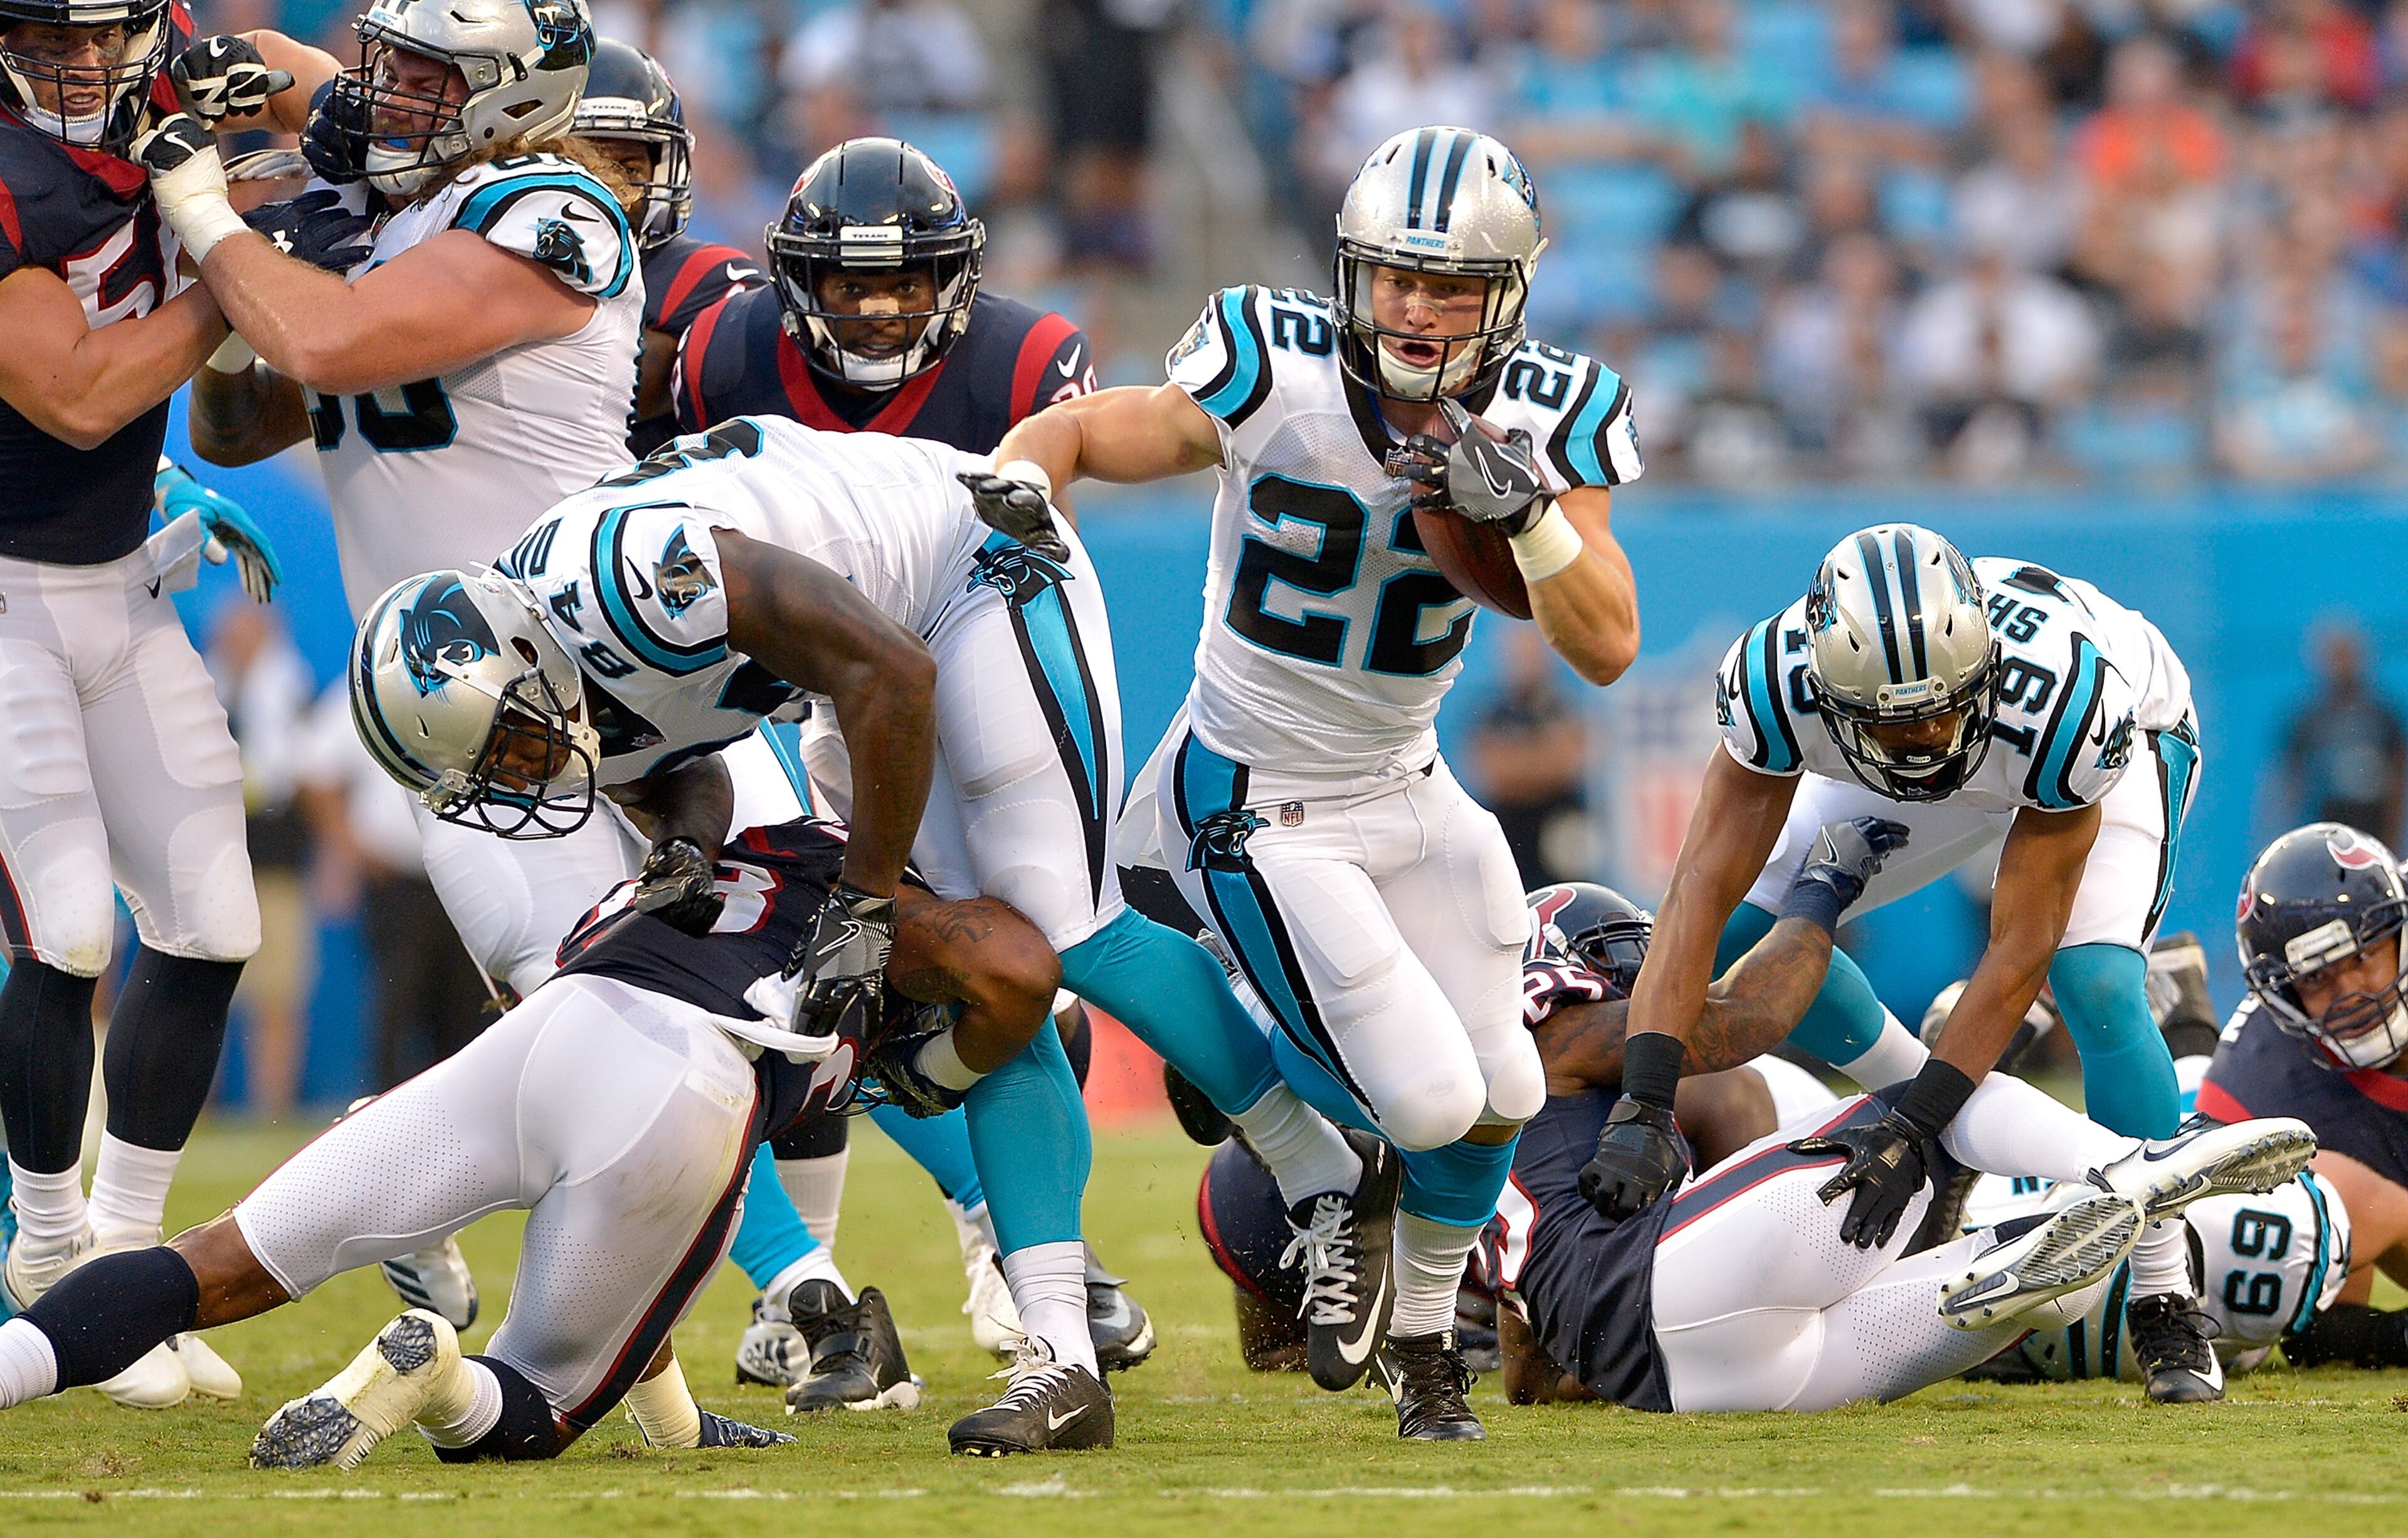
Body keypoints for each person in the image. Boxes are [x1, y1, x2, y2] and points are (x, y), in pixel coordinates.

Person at [348, 417, 1370, 1455]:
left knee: (1060, 919)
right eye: (497, 769)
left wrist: (866, 898)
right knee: (983, 975)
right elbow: (677, 754)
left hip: (974, 570)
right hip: (860, 663)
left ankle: (1320, 1168)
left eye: (515, 745)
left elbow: (895, 674)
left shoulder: (631, 578)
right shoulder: (555, 675)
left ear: (521, 654)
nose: (524, 775)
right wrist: (690, 847)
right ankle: (1062, 1358)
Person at [976, 124, 1643, 1440]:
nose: (1412, 306)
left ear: (1505, 295)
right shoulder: (1268, 365)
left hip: (1407, 778)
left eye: (1448, 285)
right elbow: (1078, 434)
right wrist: (1006, 512)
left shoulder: (1545, 410)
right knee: (1435, 1100)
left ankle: (1421, 1341)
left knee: (1506, 1088)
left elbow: (1609, 643)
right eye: (1393, 274)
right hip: (1253, 788)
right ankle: (1292, 1133)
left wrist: (1530, 514)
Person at [0, 815, 1062, 1467]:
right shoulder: (899, 915)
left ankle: (13, 1362)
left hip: (548, 1028)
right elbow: (1018, 971)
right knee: (536, 1409)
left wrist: (689, 1430)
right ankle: (438, 1375)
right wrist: (947, 1070)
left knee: (213, 1263)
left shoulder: (767, 851)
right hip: (684, 1084)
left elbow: (640, 1302)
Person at [669, 135, 1146, 1387]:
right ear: (792, 282)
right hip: (804, 695)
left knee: (1021, 953)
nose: (877, 307)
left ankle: (1036, 1228)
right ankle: (849, 1272)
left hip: (968, 667)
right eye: (846, 283)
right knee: (814, 986)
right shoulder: (723, 352)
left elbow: (1042, 568)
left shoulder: (1020, 357)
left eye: (903, 280)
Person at [1585, 524, 2226, 1402]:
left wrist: (1914, 1130)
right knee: (1741, 928)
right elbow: (1698, 888)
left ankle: (2163, 1284)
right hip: (1936, 735)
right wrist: (1645, 1098)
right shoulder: (1779, 685)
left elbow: (2017, 948)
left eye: (1938, 709)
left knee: (2097, 982)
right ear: (1829, 687)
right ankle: (1919, 1089)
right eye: (1900, 719)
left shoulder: (2068, 706)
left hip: (2078, 743)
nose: (1925, 739)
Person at [0, 0, 319, 1408]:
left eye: (104, 34)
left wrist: (263, 98)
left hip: (120, 581)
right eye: (42, 35)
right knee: (66, 931)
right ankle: (49, 1249)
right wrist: (223, 245)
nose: (77, 60)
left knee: (213, 924)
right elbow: (74, 398)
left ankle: (123, 1268)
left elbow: (341, 109)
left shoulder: (174, 67)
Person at [2204, 822, 2408, 1370]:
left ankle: (2183, 1023)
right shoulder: (2258, 1079)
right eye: (2317, 980)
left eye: (2364, 955)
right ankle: (2185, 1034)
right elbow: (2311, 1325)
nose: (2351, 996)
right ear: (2285, 995)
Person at [569, 39, 762, 459]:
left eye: (626, 167)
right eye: (582, 165)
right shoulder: (484, 255)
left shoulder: (702, 276)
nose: (607, 187)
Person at [2276, 627, 2405, 846]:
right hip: (2328, 827)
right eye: (2335, 656)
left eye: (2347, 655)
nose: (2341, 664)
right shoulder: (2310, 718)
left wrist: (2396, 834)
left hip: (2376, 824)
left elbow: (2399, 774)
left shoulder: (2383, 714)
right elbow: (2290, 782)